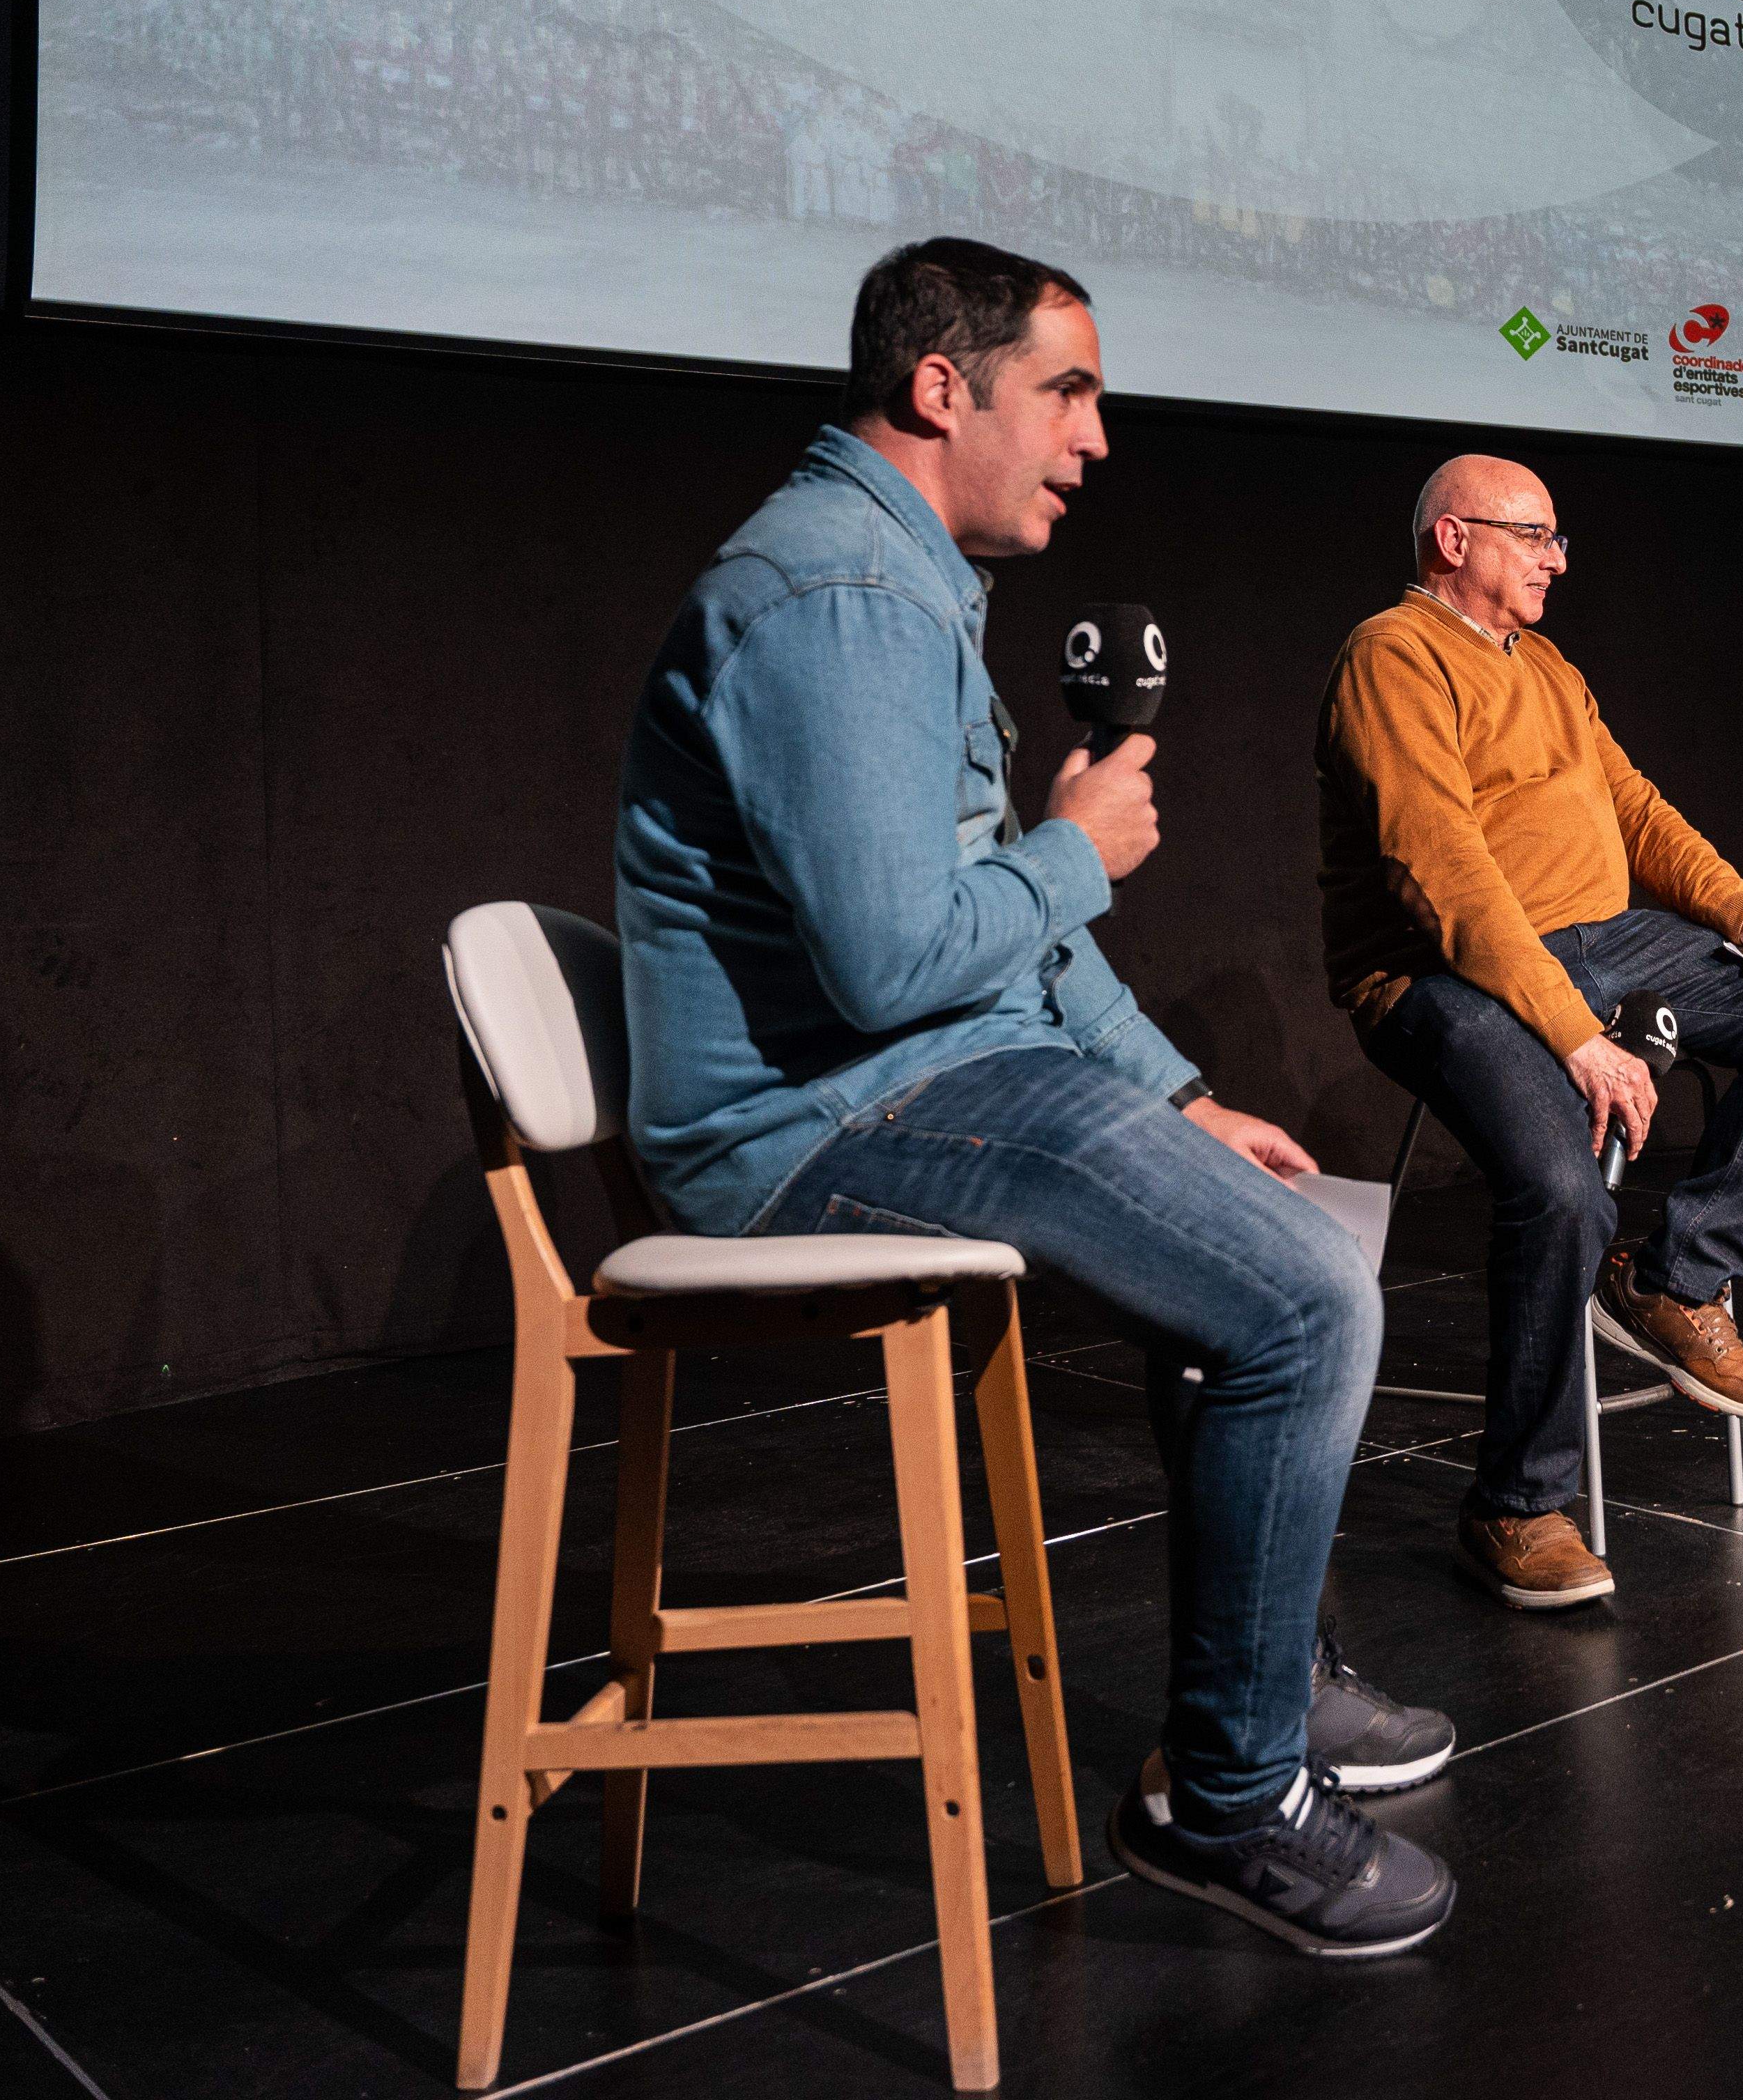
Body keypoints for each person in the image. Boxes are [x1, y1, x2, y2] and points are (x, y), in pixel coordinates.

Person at [614, 238, 1455, 1957]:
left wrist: (1178, 1094)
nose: (1094, 437)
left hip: (917, 1074)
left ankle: (1275, 1681)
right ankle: (1228, 1797)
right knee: (1309, 1293)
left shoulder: (906, 582)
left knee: (1278, 1224)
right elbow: (892, 959)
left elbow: (1001, 949)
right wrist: (1078, 851)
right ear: (945, 387)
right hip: (814, 1122)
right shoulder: (841, 590)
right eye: (1067, 390)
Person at [1316, 454, 1743, 1609]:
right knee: (1567, 1187)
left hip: (1600, 938)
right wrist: (1577, 1036)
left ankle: (1673, 1275)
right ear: (1453, 539)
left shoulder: (1549, 664)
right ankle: (1517, 1507)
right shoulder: (1393, 654)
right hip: (1439, 974)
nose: (1556, 559)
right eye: (1534, 536)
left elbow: (1635, 808)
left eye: (1560, 539)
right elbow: (1445, 877)